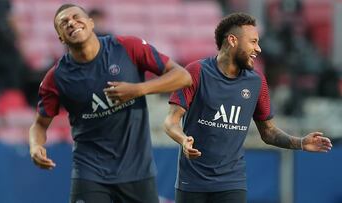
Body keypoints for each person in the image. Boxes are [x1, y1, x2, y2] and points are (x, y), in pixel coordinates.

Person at [29, 3, 192, 203]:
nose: (71, 23)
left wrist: (138, 89)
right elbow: (39, 124)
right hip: (90, 172)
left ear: (91, 23)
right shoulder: (56, 78)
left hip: (137, 170)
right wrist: (35, 145)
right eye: (64, 23)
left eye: (76, 17)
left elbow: (183, 76)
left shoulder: (127, 47)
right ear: (61, 37)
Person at [164, 13, 332, 203]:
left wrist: (300, 142)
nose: (258, 49)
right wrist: (183, 139)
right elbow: (171, 121)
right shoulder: (196, 72)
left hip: (232, 184)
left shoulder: (256, 81)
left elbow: (268, 133)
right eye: (253, 42)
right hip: (191, 183)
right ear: (232, 40)